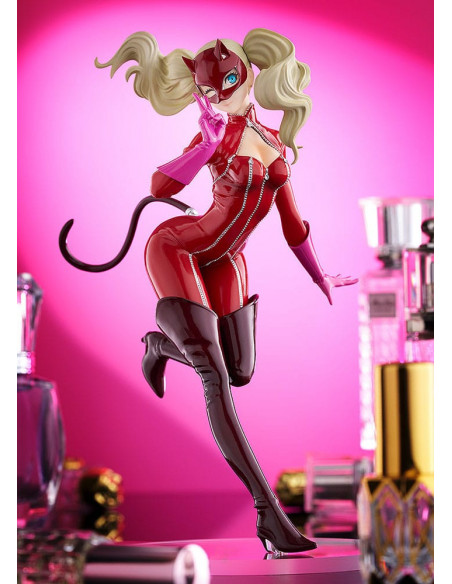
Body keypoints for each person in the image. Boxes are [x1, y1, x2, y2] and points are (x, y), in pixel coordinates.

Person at [85, 28, 357, 554]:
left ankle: (160, 345)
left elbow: (292, 222)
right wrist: (206, 147)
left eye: (227, 83)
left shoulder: (273, 142)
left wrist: (319, 274)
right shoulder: (215, 136)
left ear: (248, 73)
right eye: (208, 91)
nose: (218, 97)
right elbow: (159, 189)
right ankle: (269, 515)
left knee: (239, 370)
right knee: (215, 378)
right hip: (179, 250)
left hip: (227, 261)